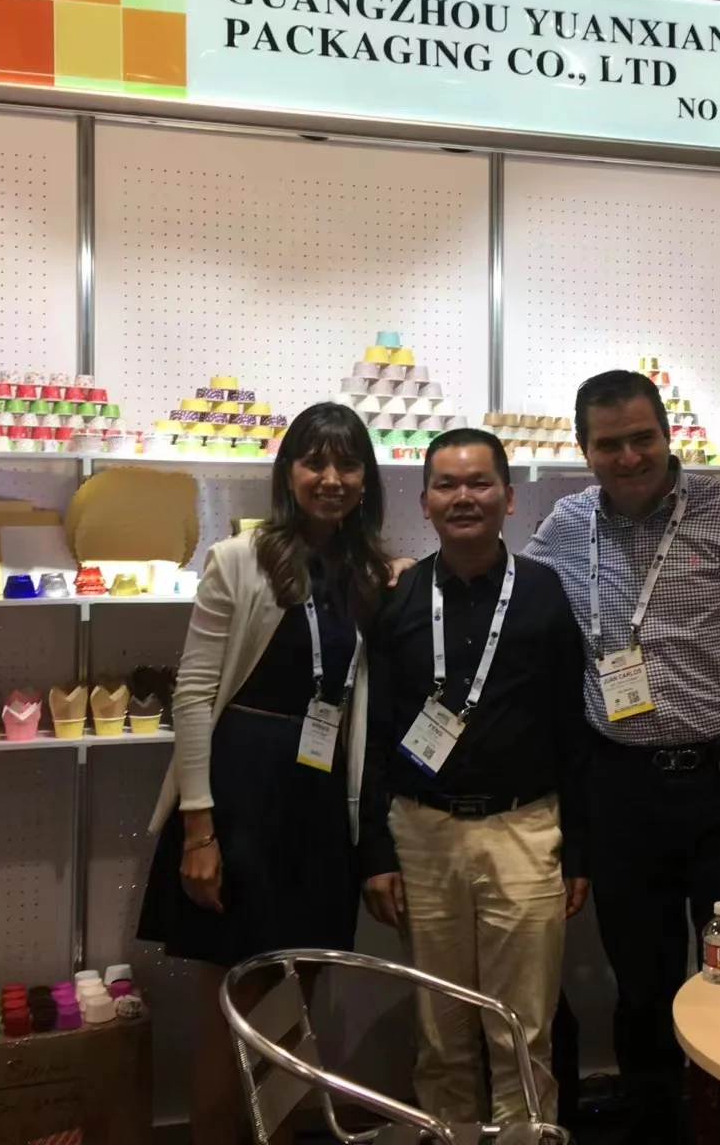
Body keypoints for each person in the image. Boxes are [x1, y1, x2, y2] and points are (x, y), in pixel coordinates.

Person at [525, 370, 720, 1145]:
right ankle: (655, 1129)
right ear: (584, 449)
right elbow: (513, 604)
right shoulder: (564, 526)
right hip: (622, 793)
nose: (629, 458)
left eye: (642, 438)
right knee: (642, 988)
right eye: (609, 444)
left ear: (667, 434)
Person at [137, 402, 392, 1145]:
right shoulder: (238, 560)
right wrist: (199, 829)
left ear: (367, 479)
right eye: (315, 461)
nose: (332, 478)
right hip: (242, 792)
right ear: (288, 473)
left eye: (348, 464)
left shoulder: (365, 573)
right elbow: (193, 694)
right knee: (239, 1001)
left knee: (296, 1000)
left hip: (320, 797)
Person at [360, 427, 589, 1127]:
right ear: (425, 501)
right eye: (447, 484)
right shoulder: (398, 596)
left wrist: (579, 851)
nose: (464, 497)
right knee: (440, 1037)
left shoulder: (544, 592)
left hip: (524, 830)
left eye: (480, 483)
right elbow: (374, 733)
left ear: (509, 498)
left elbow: (571, 729)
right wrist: (375, 852)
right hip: (421, 832)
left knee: (523, 1033)